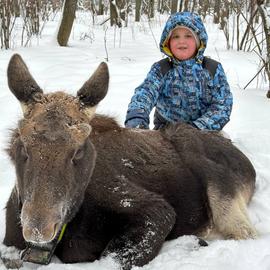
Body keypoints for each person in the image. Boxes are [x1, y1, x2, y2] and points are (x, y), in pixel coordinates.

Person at [124, 12, 233, 130]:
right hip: (166, 133)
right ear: (168, 42)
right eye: (176, 36)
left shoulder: (212, 69)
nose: (181, 41)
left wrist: (197, 128)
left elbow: (222, 105)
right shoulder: (161, 69)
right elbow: (145, 92)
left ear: (199, 40)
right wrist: (137, 117)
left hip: (204, 133)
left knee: (222, 147)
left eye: (188, 36)